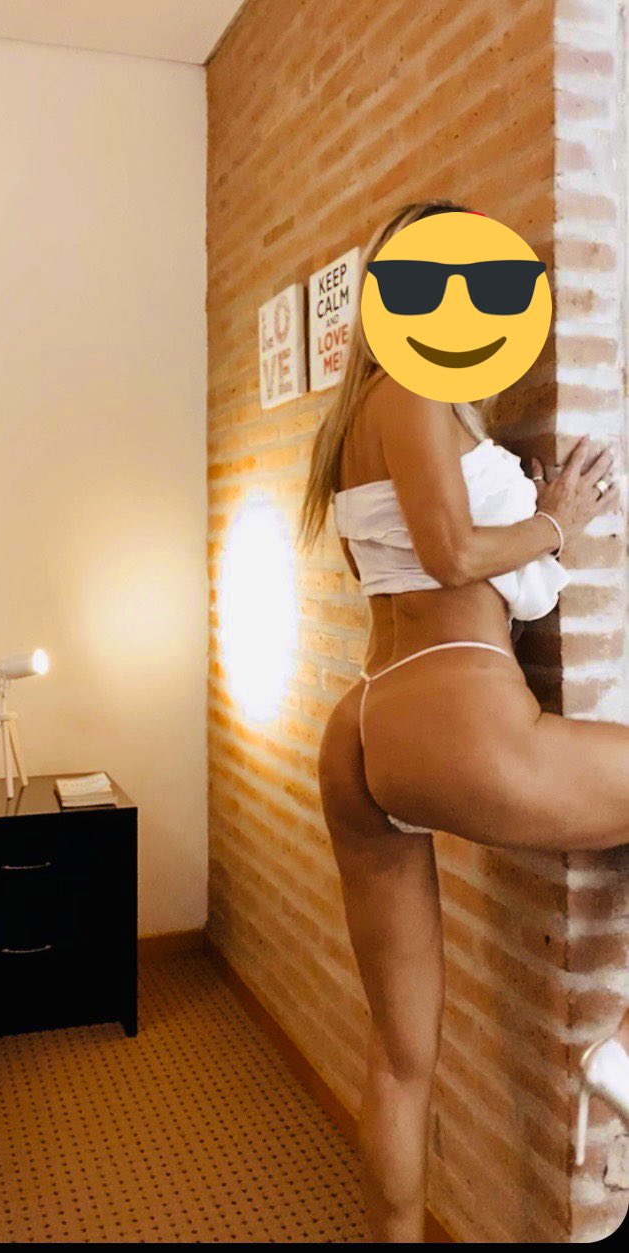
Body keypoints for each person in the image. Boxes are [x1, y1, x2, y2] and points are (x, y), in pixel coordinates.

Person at [298, 198, 629, 1243]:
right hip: (458, 712)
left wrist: (534, 528)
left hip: (369, 728)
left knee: (402, 1054)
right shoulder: (416, 389)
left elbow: (466, 574)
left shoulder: (360, 419)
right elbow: (450, 554)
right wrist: (554, 519)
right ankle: (624, 1051)